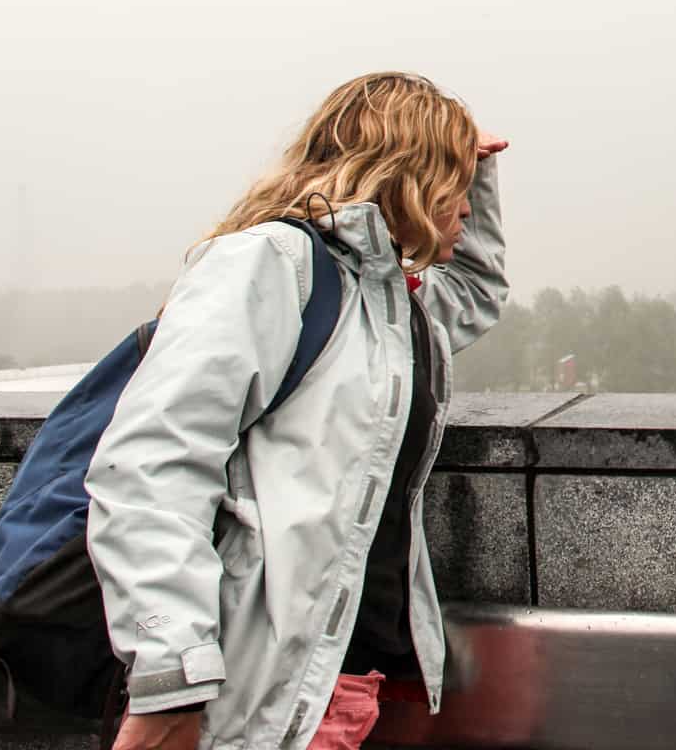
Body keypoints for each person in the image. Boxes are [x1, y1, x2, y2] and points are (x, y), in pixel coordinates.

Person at [84, 72, 509, 750]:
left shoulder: (385, 299)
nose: (464, 207)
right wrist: (171, 681)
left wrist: (482, 178)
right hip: (248, 692)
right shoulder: (271, 266)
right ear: (407, 174)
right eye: (453, 182)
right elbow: (151, 467)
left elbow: (477, 294)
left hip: (331, 684)